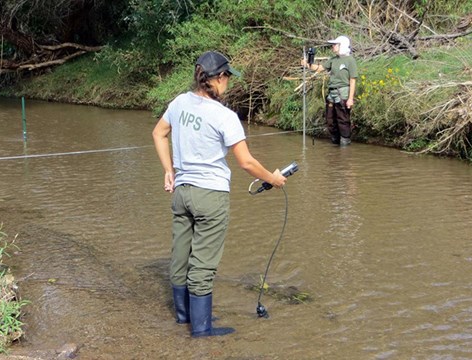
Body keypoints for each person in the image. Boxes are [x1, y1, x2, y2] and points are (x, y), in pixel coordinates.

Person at [152, 51, 287, 337]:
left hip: (181, 193)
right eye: (227, 77)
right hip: (210, 197)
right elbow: (246, 162)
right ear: (217, 78)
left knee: (180, 257)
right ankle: (201, 332)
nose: (228, 83)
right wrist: (273, 179)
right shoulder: (225, 117)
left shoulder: (179, 103)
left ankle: (182, 319)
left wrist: (168, 170)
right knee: (203, 265)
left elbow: (158, 134)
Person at [301, 35, 358, 146]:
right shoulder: (333, 60)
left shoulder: (350, 60)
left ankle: (345, 142)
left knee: (343, 119)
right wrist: (307, 64)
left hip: (343, 93)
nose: (332, 47)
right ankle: (335, 142)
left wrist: (350, 99)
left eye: (335, 45)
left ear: (342, 46)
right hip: (332, 94)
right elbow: (319, 68)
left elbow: (353, 80)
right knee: (330, 120)